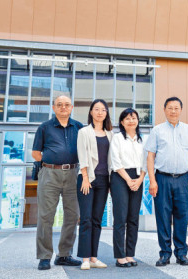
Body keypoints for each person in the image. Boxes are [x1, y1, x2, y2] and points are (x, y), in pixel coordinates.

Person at [31, 95, 84, 271]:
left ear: (72, 107)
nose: (63, 107)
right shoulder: (44, 127)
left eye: (67, 105)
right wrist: (51, 164)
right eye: (59, 105)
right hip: (50, 174)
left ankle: (64, 255)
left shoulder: (79, 127)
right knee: (45, 216)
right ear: (53, 107)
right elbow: (36, 153)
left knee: (72, 216)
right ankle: (44, 256)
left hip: (73, 175)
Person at [145, 97, 188, 267]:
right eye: (170, 108)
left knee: (182, 217)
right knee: (163, 217)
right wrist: (152, 181)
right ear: (164, 110)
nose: (173, 111)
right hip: (162, 178)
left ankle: (181, 253)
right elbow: (150, 156)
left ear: (181, 110)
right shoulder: (157, 130)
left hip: (183, 179)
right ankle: (165, 254)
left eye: (176, 108)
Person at [76, 99, 114, 270]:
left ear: (106, 113)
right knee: (86, 219)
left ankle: (93, 257)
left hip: (104, 180)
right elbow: (82, 155)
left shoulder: (111, 134)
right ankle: (84, 258)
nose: (100, 112)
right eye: (96, 109)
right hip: (87, 179)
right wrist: (84, 177)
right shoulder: (84, 132)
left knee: (97, 219)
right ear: (91, 112)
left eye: (103, 110)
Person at [109, 108, 146, 268]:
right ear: (122, 122)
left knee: (133, 218)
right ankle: (120, 256)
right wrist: (129, 180)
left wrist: (140, 180)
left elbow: (147, 162)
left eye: (134, 118)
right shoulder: (117, 138)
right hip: (120, 177)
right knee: (121, 217)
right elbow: (115, 162)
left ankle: (130, 254)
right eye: (127, 118)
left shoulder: (142, 140)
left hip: (138, 177)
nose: (131, 120)